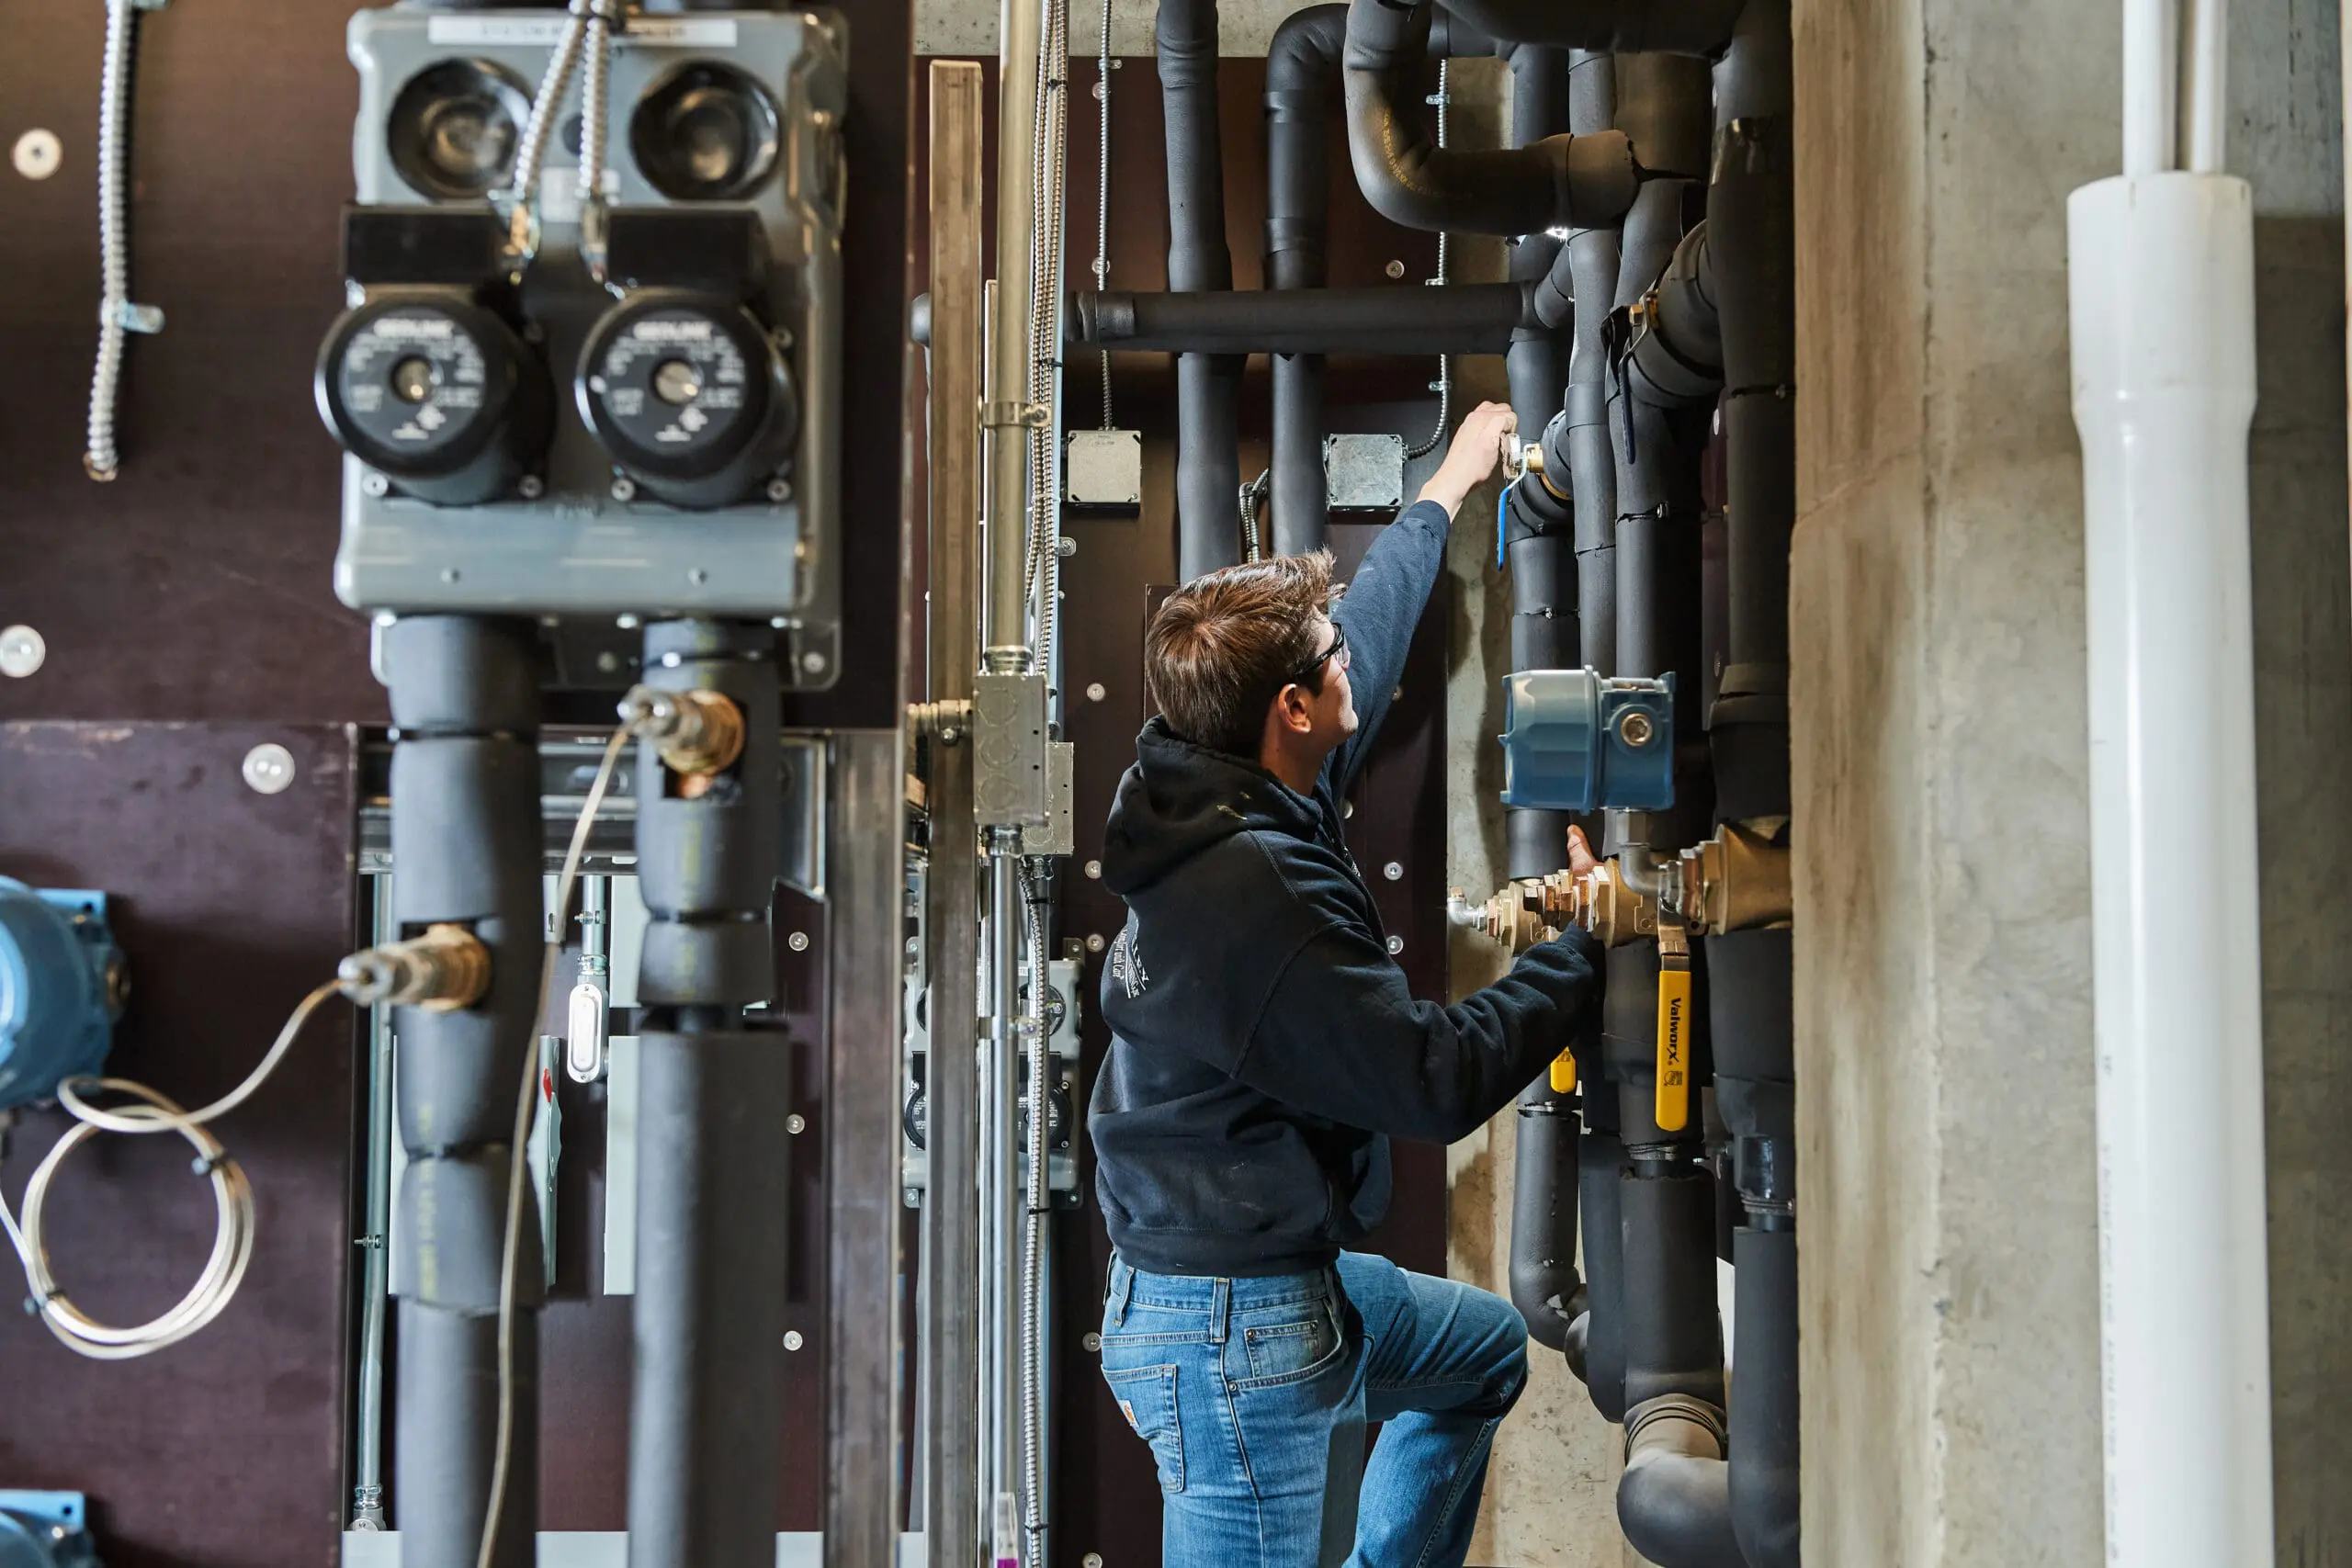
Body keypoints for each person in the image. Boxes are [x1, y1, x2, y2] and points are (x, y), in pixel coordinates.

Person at [1089, 401, 1606, 1568]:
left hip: (1254, 1282)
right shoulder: (1254, 898)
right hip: (1227, 1332)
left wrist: (1445, 492)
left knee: (1481, 1354)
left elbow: (1365, 624)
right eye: (1326, 662)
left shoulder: (1220, 778)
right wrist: (1585, 952)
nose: (1345, 659)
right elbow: (1426, 1080)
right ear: (1292, 709)